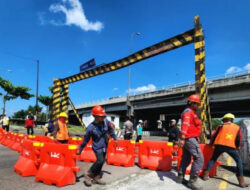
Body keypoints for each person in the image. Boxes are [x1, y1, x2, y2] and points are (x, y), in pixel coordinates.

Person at [202, 113, 249, 188]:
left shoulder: (220, 126)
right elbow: (238, 137)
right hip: (230, 146)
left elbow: (214, 135)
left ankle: (205, 175)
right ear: (232, 120)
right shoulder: (237, 127)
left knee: (213, 159)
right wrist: (238, 146)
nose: (223, 121)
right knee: (238, 161)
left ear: (225, 119)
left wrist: (211, 144)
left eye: (223, 120)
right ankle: (241, 182)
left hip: (219, 145)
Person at [76, 105, 118, 186]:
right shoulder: (90, 128)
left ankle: (97, 177)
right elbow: (85, 140)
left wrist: (115, 138)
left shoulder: (106, 122)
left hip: (105, 145)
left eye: (103, 116)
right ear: (94, 116)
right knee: (100, 160)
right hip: (97, 147)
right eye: (100, 116)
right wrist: (80, 149)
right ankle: (88, 174)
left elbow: (111, 130)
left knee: (102, 162)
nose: (102, 117)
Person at [177, 94, 204, 190]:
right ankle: (192, 182)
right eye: (197, 104)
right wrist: (183, 138)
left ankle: (180, 177)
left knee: (186, 158)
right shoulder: (189, 112)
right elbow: (185, 124)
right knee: (199, 159)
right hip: (189, 138)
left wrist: (196, 136)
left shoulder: (191, 112)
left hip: (190, 138)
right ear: (192, 103)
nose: (198, 106)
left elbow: (192, 126)